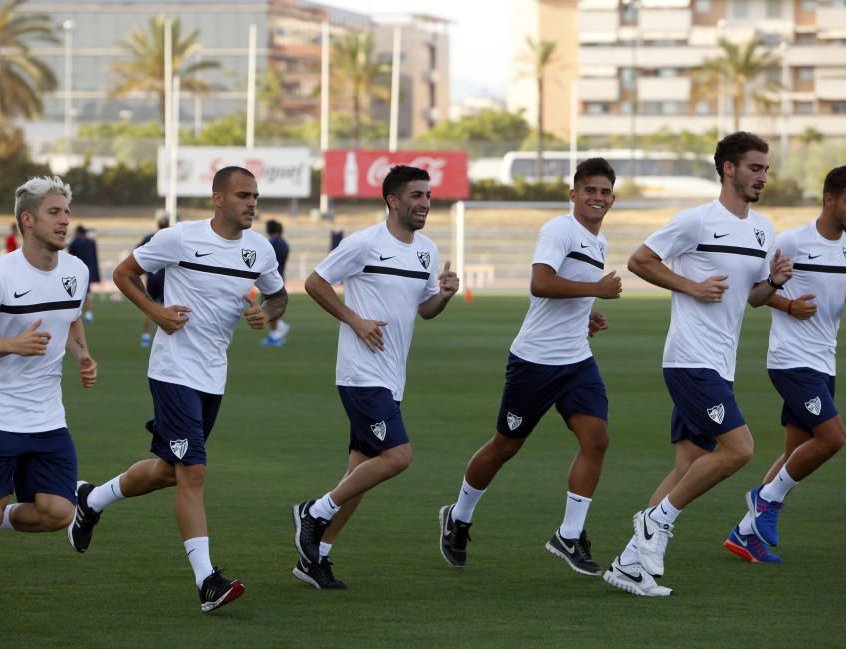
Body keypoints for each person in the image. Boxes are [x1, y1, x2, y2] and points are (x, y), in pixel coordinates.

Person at [67, 166, 287, 613]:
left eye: (256, 196)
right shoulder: (179, 238)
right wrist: (157, 312)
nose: (252, 203)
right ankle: (207, 581)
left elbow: (278, 295)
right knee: (194, 473)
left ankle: (91, 499)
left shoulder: (259, 250)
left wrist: (269, 313)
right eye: (244, 195)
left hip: (213, 375)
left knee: (171, 469)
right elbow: (124, 272)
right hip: (173, 371)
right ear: (218, 198)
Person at [604, 132, 793, 597]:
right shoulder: (695, 221)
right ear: (728, 169)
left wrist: (772, 282)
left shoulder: (763, 229)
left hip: (720, 363)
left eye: (765, 169)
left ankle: (630, 565)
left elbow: (751, 299)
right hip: (690, 361)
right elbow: (639, 260)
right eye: (754, 168)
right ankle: (655, 522)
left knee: (689, 463)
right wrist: (689, 286)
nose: (762, 177)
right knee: (740, 449)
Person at [438, 158, 621, 577]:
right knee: (506, 444)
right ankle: (459, 516)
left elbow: (565, 290)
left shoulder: (598, 240)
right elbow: (540, 282)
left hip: (576, 359)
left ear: (613, 198)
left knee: (597, 439)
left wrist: (586, 313)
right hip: (535, 361)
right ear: (573, 195)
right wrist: (596, 289)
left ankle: (569, 535)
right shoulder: (559, 230)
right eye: (589, 190)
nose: (597, 197)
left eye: (605, 191)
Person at [0, 176, 98, 640]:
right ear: (27, 220)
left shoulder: (76, 271)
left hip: (48, 415)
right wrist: (12, 345)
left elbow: (70, 318)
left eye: (66, 212)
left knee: (58, 513)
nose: (64, 220)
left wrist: (82, 355)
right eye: (54, 213)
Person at [292, 165, 459, 589]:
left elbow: (425, 309)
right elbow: (314, 282)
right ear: (393, 201)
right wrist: (355, 319)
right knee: (398, 457)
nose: (424, 203)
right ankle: (313, 512)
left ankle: (316, 558)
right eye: (417, 196)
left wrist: (445, 295)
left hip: (392, 375)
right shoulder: (364, 243)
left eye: (428, 196)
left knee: (359, 476)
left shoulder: (427, 250)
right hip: (361, 374)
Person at [723, 165, 846, 563]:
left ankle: (744, 533)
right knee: (833, 438)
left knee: (797, 454)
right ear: (829, 199)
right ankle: (765, 499)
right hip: (790, 360)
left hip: (825, 361)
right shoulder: (791, 241)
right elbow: (756, 291)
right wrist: (788, 303)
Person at [138, 214, 170, 347]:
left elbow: (137, 252)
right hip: (164, 277)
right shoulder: (170, 237)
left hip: (152, 276)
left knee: (149, 307)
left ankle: (145, 336)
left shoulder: (149, 237)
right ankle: (164, 338)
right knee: (164, 307)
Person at [260, 219, 291, 346]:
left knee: (269, 306)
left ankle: (276, 334)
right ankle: (279, 328)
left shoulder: (270, 243)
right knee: (275, 304)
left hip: (270, 278)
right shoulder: (284, 243)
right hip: (280, 276)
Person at [67, 225, 101, 323]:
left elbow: (70, 254)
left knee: (74, 293)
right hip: (87, 271)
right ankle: (89, 314)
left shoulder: (74, 242)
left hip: (75, 271)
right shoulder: (90, 242)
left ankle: (77, 314)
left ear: (78, 232)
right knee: (87, 293)